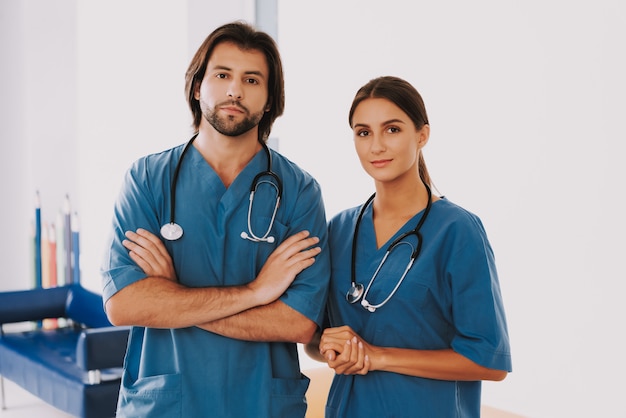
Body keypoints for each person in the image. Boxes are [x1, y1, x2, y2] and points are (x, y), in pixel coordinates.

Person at [101, 21, 330, 417]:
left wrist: (172, 296)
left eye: (252, 79)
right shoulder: (147, 180)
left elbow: (298, 322)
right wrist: (256, 293)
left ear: (271, 99)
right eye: (222, 74)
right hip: (166, 405)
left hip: (259, 402)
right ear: (197, 86)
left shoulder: (299, 192)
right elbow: (123, 304)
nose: (234, 90)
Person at [306, 76, 512, 417]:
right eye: (363, 132)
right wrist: (329, 347)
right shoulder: (339, 230)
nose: (376, 146)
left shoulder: (458, 231)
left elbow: (490, 362)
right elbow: (317, 338)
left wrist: (379, 356)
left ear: (422, 135)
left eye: (392, 129)